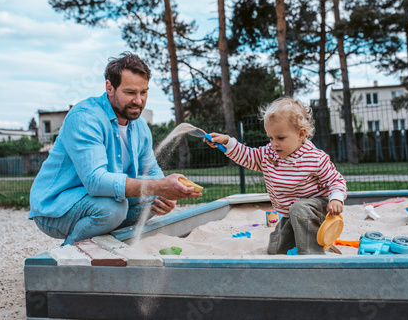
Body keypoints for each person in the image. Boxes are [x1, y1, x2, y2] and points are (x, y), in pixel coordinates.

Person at [29, 52, 201, 246]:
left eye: (143, 92)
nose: (138, 100)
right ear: (109, 87)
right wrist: (158, 185)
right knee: (112, 208)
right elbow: (95, 181)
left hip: (99, 200)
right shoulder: (85, 118)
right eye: (130, 92)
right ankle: (65, 259)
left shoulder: (140, 126)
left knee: (153, 197)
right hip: (56, 207)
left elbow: (151, 172)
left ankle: (107, 247)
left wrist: (166, 194)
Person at [205, 97, 347, 255]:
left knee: (300, 209)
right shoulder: (269, 154)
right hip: (289, 214)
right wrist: (228, 143)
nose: (274, 144)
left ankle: (312, 256)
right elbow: (248, 156)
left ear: (301, 134)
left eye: (280, 138)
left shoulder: (315, 158)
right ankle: (310, 243)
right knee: (276, 249)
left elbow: (336, 180)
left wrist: (336, 199)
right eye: (270, 137)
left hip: (316, 211)